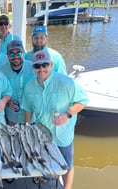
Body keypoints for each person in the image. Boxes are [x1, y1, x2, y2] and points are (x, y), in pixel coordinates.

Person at [21, 50, 89, 189]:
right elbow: (28, 108)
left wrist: (67, 115)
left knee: (67, 165)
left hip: (62, 135)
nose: (41, 69)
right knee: (44, 162)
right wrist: (27, 127)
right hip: (41, 136)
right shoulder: (29, 86)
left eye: (45, 65)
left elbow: (83, 100)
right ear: (33, 68)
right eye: (37, 66)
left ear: (51, 65)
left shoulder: (66, 82)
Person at [0, 40, 34, 125]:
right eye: (11, 54)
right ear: (7, 56)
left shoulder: (34, 68)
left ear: (23, 53)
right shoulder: (1, 71)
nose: (15, 56)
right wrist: (8, 102)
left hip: (32, 118)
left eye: (19, 53)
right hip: (12, 117)